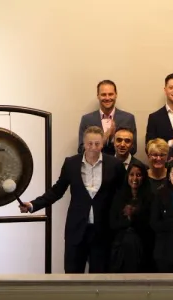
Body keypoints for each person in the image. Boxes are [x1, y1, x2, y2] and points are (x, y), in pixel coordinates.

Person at [19, 126, 126, 273]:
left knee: (100, 277)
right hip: (76, 230)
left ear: (102, 144)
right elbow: (57, 191)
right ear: (84, 144)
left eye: (97, 144)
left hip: (103, 231)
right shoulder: (71, 163)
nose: (93, 147)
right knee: (72, 275)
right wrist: (32, 205)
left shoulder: (115, 165)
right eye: (90, 143)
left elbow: (122, 193)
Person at [109, 161, 153, 273]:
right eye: (131, 174)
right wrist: (128, 220)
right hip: (121, 248)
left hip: (142, 247)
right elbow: (112, 223)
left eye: (138, 175)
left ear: (144, 177)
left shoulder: (150, 197)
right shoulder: (119, 196)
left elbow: (150, 225)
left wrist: (134, 215)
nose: (134, 178)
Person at [77, 80, 137, 155]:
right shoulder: (87, 120)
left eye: (110, 94)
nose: (107, 98)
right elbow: (81, 150)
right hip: (95, 162)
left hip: (119, 162)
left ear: (116, 95)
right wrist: (103, 139)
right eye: (103, 94)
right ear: (98, 96)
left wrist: (115, 140)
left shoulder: (128, 118)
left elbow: (133, 149)